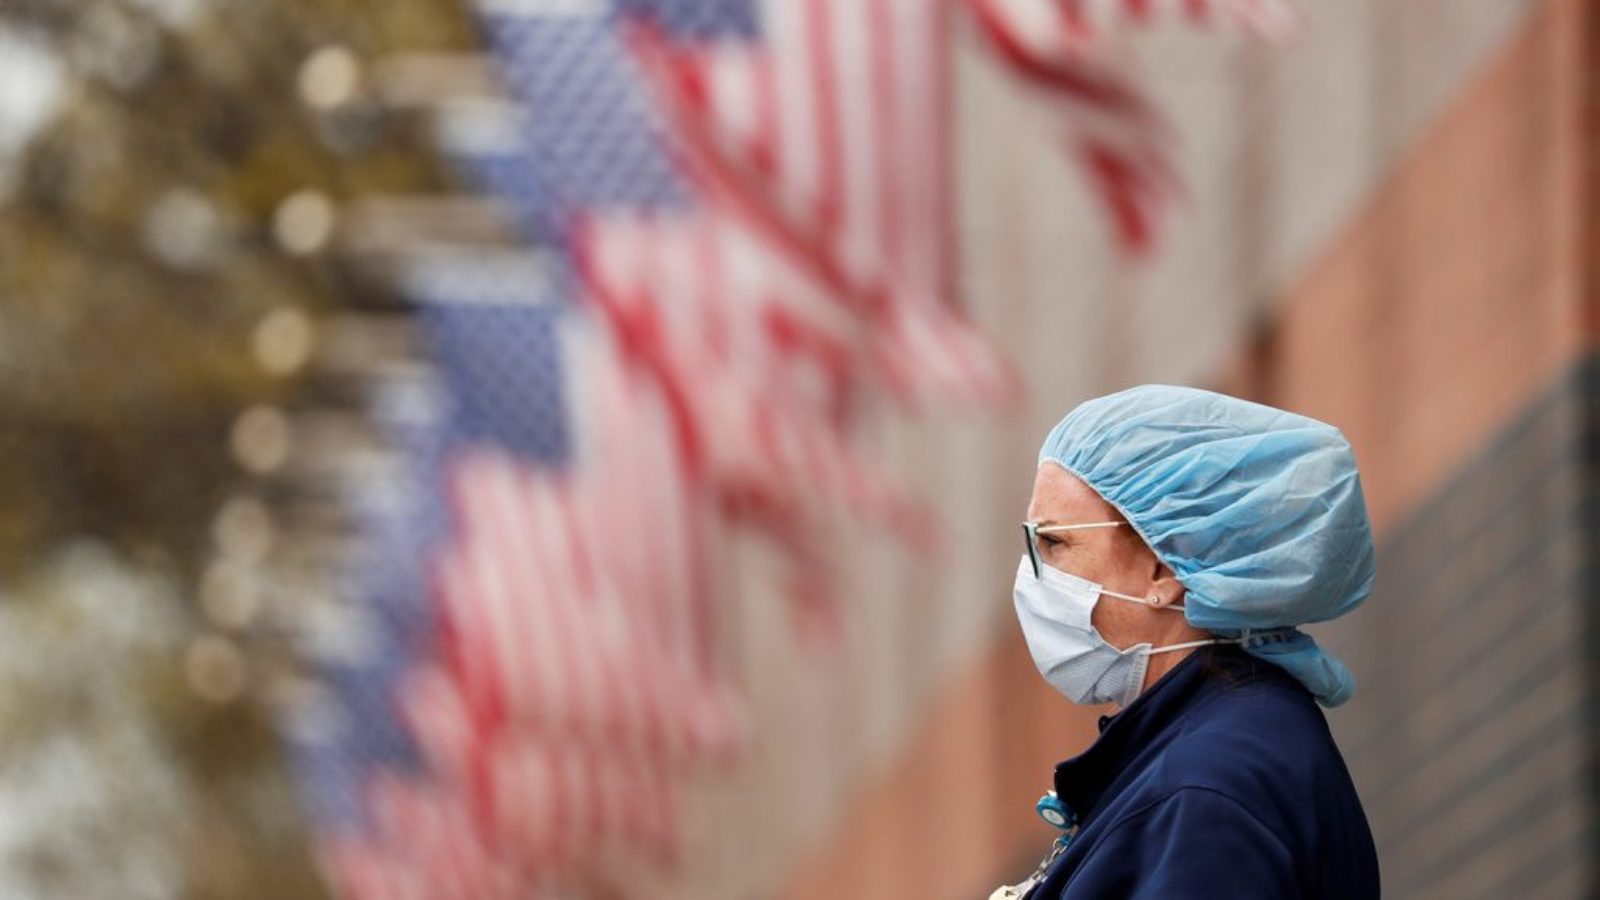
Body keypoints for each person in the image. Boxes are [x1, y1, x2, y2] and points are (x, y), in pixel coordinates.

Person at [997, 385, 1380, 899]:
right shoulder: (1189, 765)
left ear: (1163, 566)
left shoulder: (1206, 788)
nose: (1034, 574)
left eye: (1053, 542)